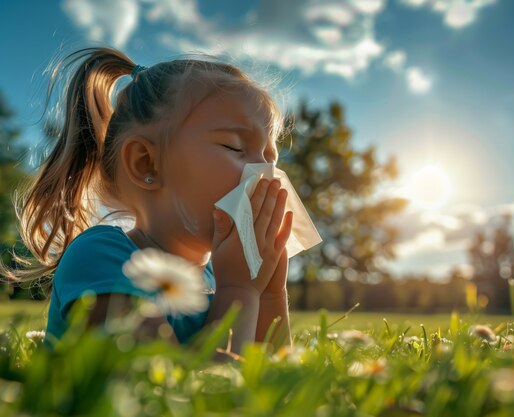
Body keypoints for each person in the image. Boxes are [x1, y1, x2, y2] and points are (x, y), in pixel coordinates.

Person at [0, 47, 294, 355]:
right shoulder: (102, 257)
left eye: (270, 158)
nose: (265, 173)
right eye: (234, 147)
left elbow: (273, 381)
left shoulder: (220, 276)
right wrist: (240, 291)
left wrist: (272, 291)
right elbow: (173, 391)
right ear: (145, 163)